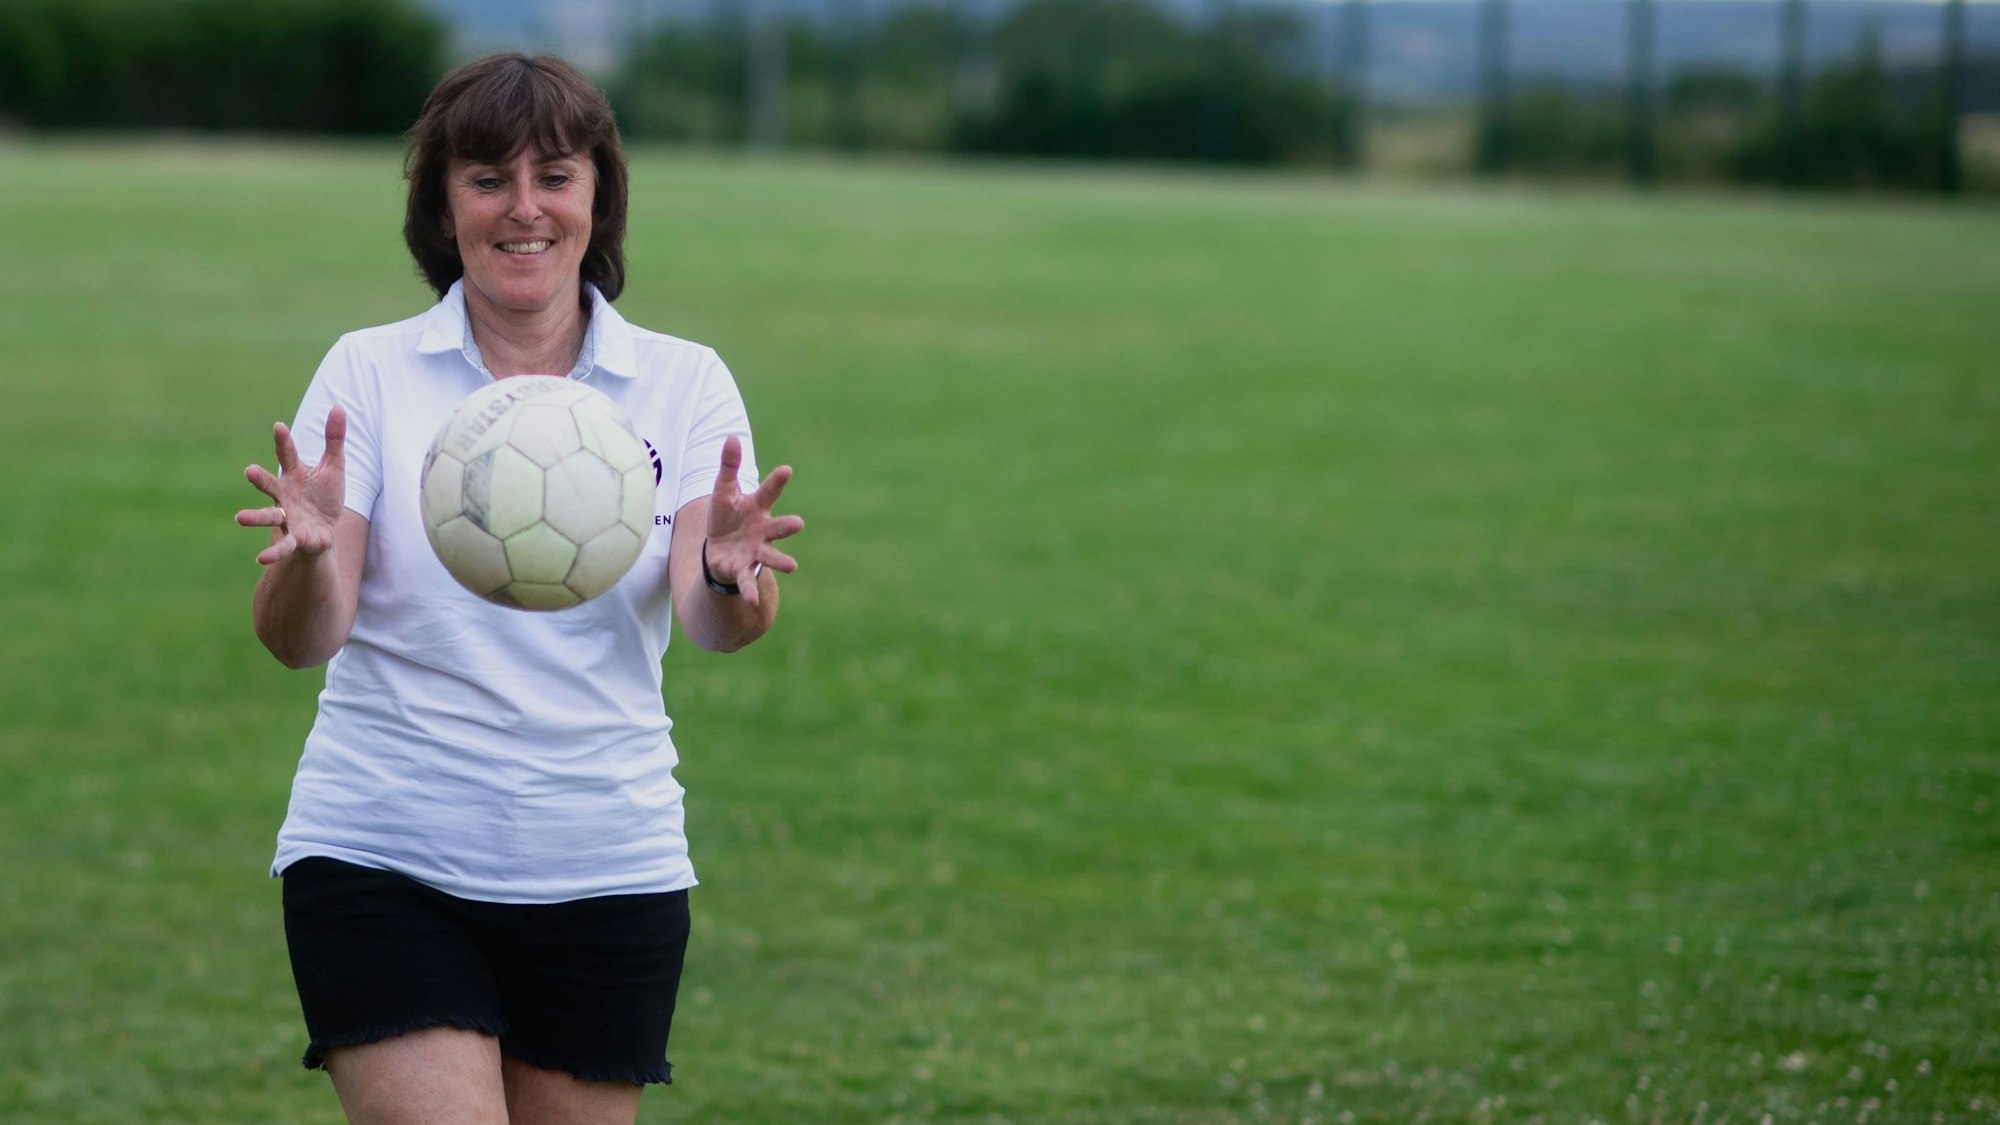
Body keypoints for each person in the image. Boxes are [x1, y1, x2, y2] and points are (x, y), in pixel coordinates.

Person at [233, 53, 802, 1125]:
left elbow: (713, 623)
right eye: (487, 178)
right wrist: (308, 557)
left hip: (606, 859)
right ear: (443, 209)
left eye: (556, 175)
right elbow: (300, 641)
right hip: (384, 850)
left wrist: (731, 576)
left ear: (599, 198)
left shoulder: (683, 383)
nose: (524, 208)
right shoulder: (369, 373)